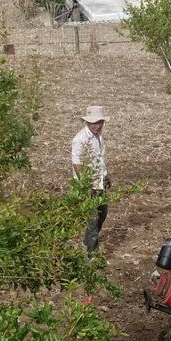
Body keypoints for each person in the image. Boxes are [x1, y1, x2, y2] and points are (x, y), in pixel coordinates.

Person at [72, 105, 109, 254]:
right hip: (88, 184)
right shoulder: (79, 139)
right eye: (94, 122)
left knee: (102, 214)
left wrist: (106, 176)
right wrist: (86, 186)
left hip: (99, 182)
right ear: (87, 122)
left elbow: (99, 159)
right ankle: (91, 254)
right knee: (92, 220)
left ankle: (87, 244)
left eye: (100, 122)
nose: (98, 125)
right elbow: (77, 164)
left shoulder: (99, 136)